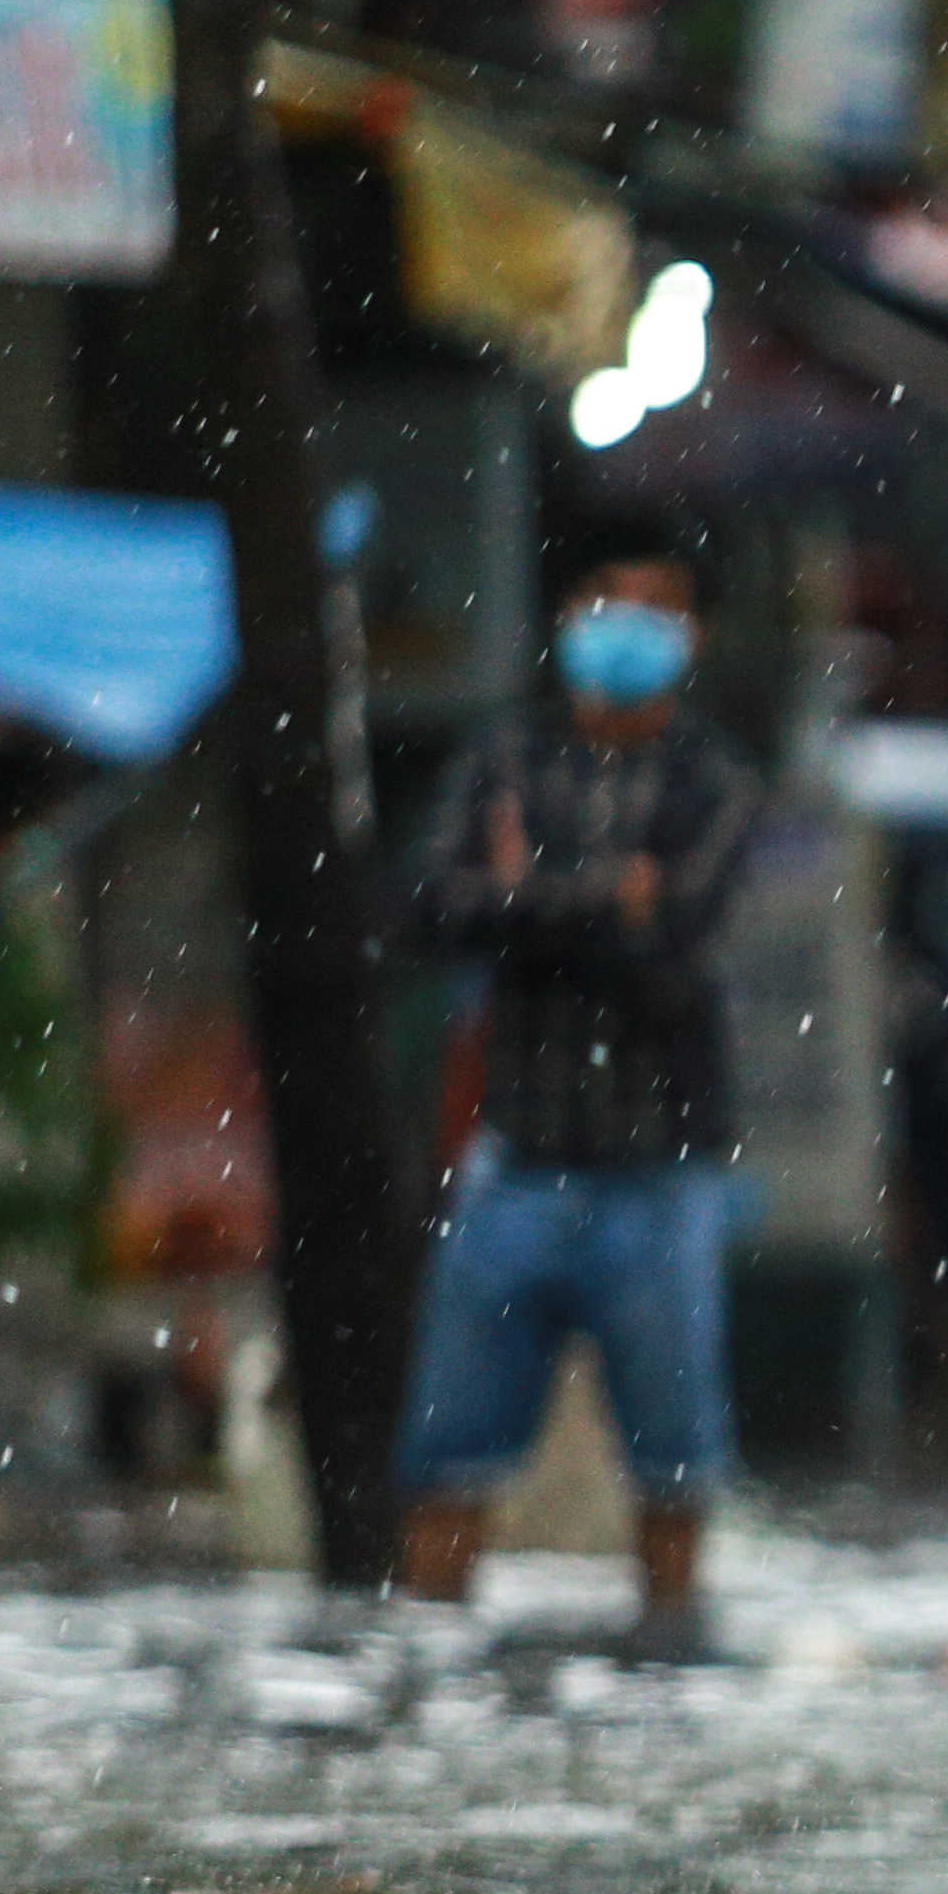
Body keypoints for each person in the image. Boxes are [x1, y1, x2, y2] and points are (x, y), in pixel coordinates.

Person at [394, 531, 765, 1648]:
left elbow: (675, 958)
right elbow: (435, 909)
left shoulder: (716, 783)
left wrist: (534, 902)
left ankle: (670, 1653)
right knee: (449, 1452)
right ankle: (430, 1652)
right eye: (607, 597)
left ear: (692, 636)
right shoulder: (506, 759)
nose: (625, 625)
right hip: (518, 1153)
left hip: (659, 1169)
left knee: (677, 1460)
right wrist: (611, 898)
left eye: (655, 606)